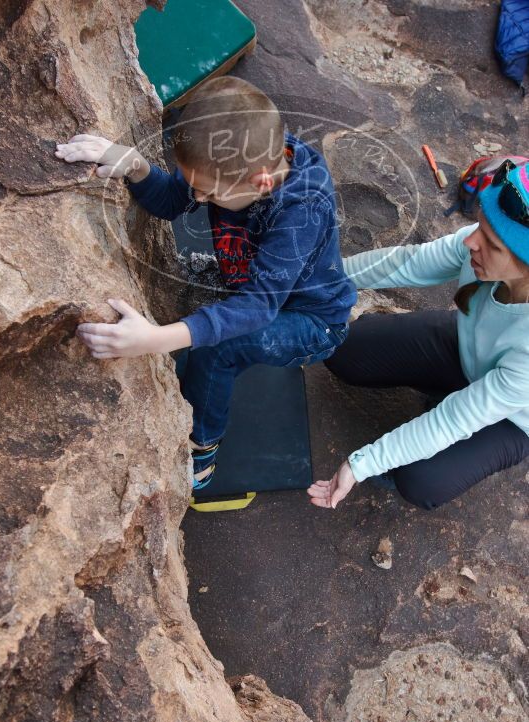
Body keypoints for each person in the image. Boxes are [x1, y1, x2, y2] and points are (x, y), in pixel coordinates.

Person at [55, 76, 355, 490]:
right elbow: (172, 201)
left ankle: (204, 446)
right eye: (194, 185)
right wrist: (136, 166)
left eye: (210, 195)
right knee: (211, 335)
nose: (197, 201)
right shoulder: (228, 160)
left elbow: (258, 307)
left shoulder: (302, 209)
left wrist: (157, 339)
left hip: (312, 320)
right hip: (262, 288)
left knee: (216, 349)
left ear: (261, 182)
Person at [308, 159, 529, 511]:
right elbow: (408, 262)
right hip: (468, 349)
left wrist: (360, 464)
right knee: (343, 349)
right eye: (478, 225)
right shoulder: (478, 247)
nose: (470, 241)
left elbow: (454, 418)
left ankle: (440, 442)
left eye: (492, 242)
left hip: (513, 416)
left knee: (420, 481)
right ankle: (444, 388)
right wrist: (322, 281)